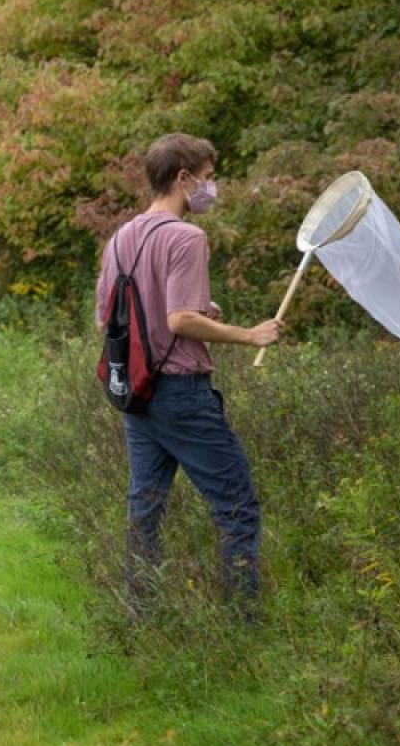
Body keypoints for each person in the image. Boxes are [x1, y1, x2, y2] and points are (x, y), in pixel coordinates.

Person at [94, 134, 283, 619]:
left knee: (145, 511)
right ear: (184, 178)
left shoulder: (120, 239)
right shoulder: (187, 236)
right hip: (181, 391)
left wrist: (195, 311)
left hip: (137, 393)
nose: (211, 186)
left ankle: (142, 616)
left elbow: (108, 320)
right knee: (237, 505)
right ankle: (244, 623)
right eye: (209, 175)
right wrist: (250, 335)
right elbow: (179, 321)